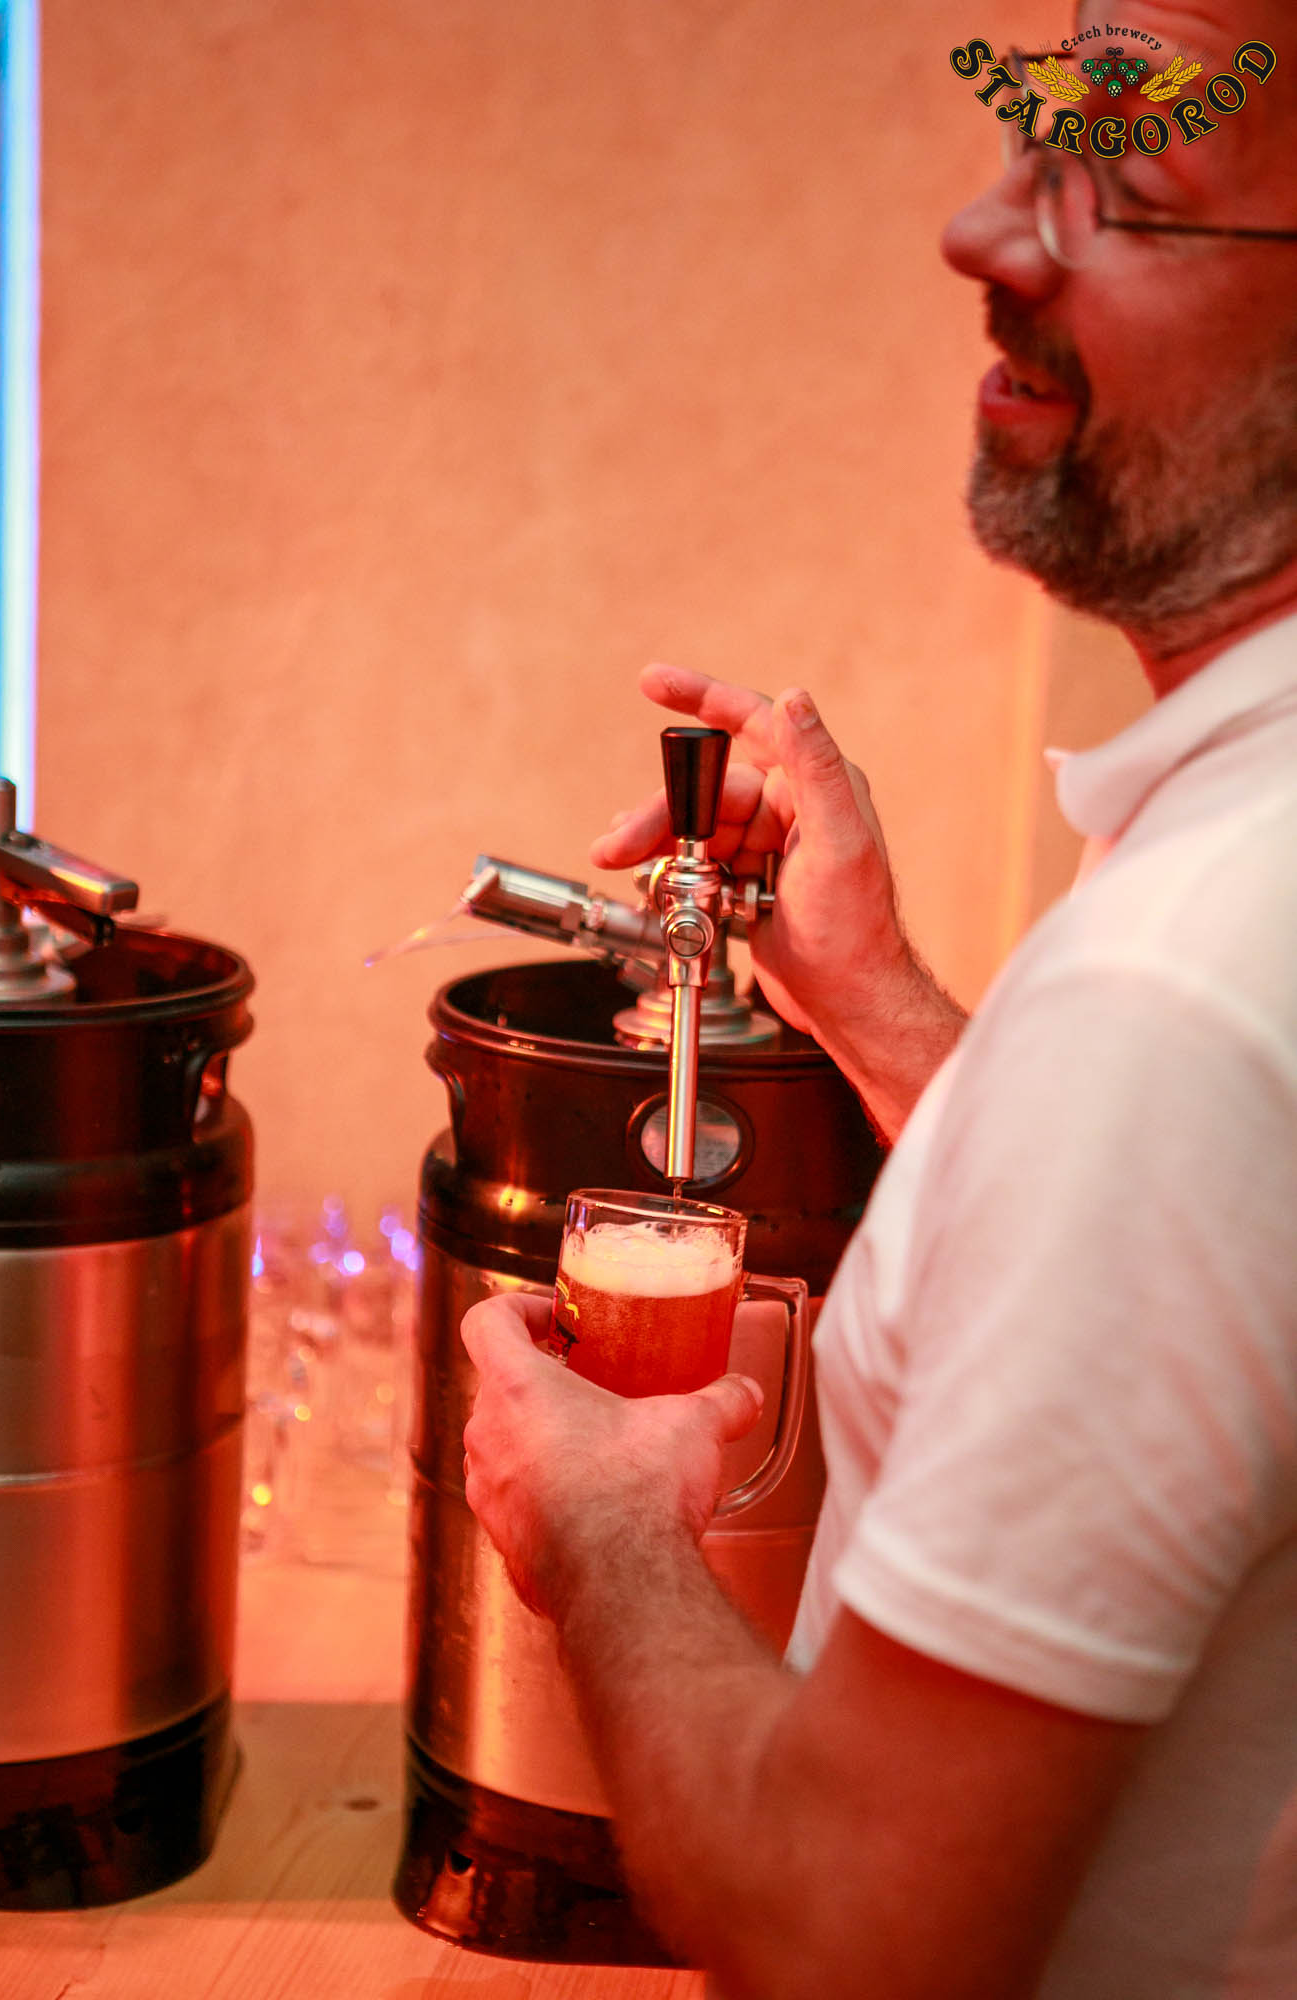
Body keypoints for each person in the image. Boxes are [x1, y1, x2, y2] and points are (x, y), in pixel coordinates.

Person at [461, 4, 1297, 1994]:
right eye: (1027, 154)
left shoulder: (1178, 999)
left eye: (1125, 189)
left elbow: (844, 1931)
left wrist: (596, 1528)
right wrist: (872, 998)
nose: (979, 232)